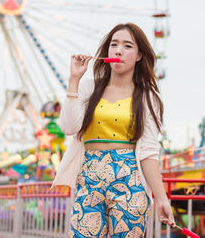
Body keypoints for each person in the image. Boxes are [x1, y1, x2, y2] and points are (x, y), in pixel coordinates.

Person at [52, 23, 175, 237]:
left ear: (139, 56)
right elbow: (69, 127)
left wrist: (161, 198)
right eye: (113, 44)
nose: (118, 50)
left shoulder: (148, 97)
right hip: (89, 178)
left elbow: (148, 152)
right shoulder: (88, 87)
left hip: (130, 179)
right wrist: (74, 80)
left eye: (127, 46)